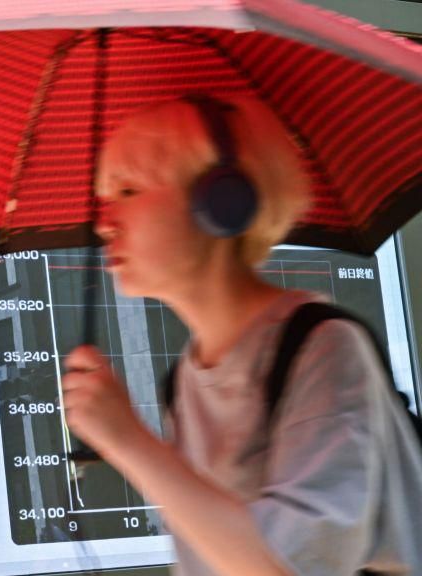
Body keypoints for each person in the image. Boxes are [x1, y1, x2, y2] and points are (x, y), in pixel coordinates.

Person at [61, 94, 422, 575]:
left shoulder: (324, 348)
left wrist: (129, 442)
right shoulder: (186, 382)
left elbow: (287, 567)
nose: (105, 224)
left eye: (128, 192)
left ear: (218, 202)